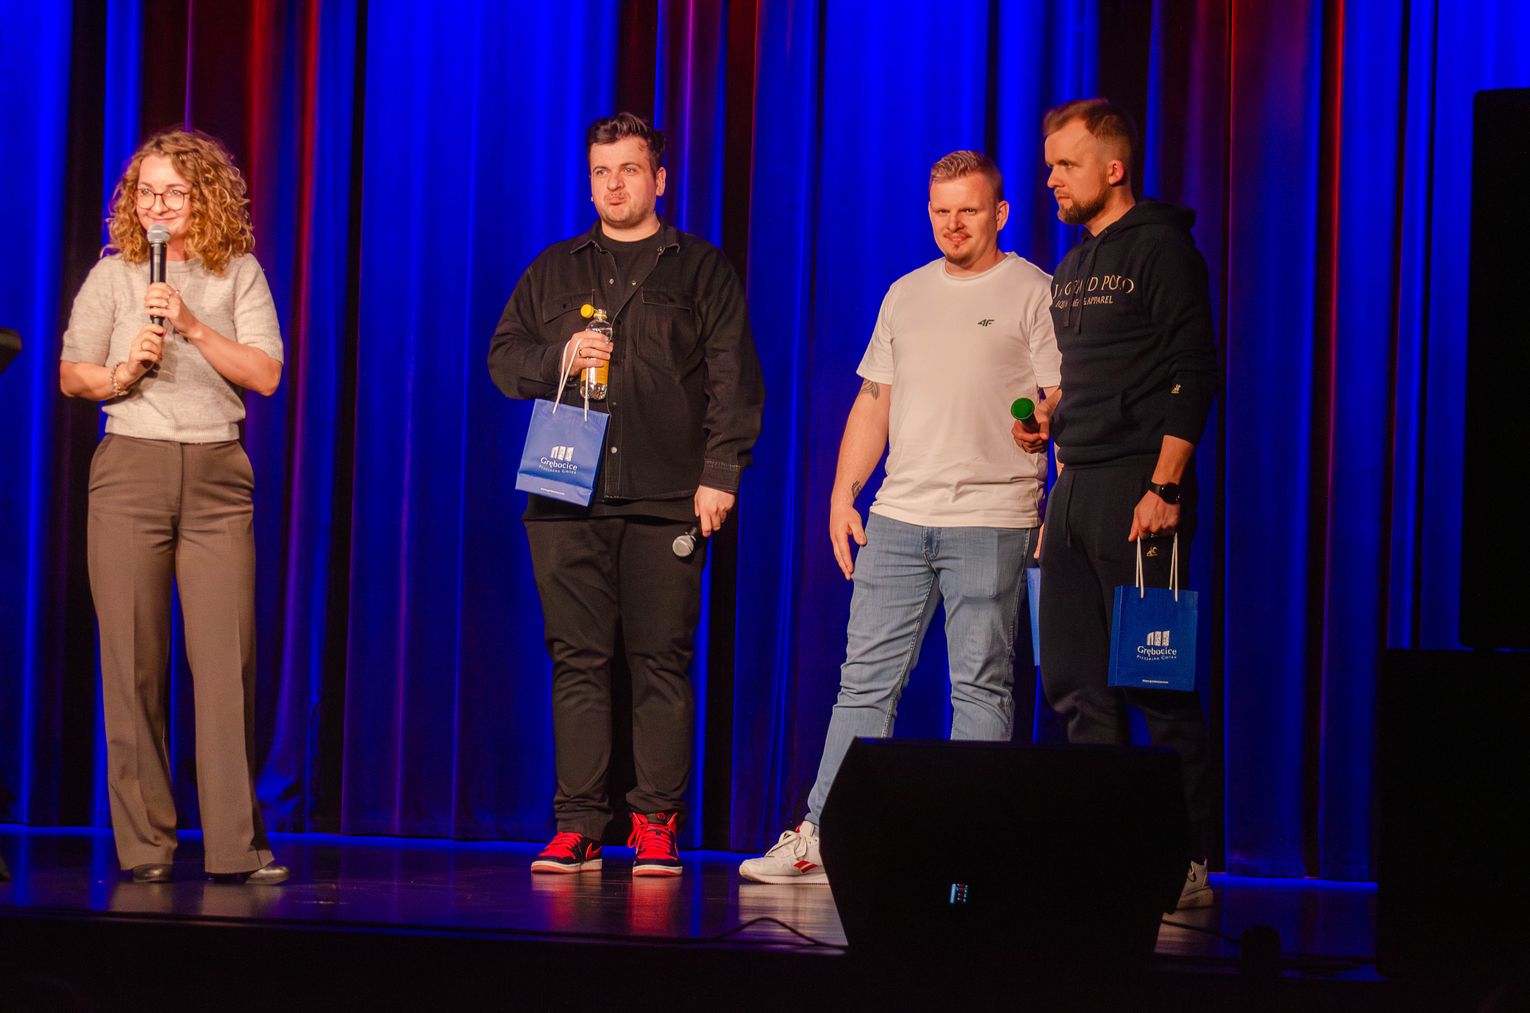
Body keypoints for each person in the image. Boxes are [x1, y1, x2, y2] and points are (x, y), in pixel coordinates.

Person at [739, 151, 1060, 884]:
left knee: (979, 685)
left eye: (968, 210)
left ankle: (969, 844)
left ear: (1000, 213)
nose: (953, 223)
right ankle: (823, 833)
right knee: (863, 682)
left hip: (994, 515)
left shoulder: (1032, 291)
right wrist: (841, 493)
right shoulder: (906, 293)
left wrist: (1057, 509)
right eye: (941, 210)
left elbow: (1060, 403)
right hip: (898, 516)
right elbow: (873, 401)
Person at [488, 112, 764, 877]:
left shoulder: (700, 269)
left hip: (667, 498)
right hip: (563, 499)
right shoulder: (554, 268)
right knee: (576, 661)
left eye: (629, 170)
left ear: (659, 179)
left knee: (659, 662)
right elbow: (503, 360)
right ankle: (578, 824)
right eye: (601, 172)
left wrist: (721, 472)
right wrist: (560, 356)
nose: (614, 185)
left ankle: (654, 823)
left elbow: (734, 377)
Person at [59, 129, 287, 884]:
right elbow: (72, 374)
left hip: (218, 476)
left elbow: (265, 374)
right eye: (146, 193)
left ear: (204, 198)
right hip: (131, 469)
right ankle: (146, 847)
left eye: (174, 193)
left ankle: (234, 847)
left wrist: (190, 324)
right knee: (132, 663)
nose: (157, 206)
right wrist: (123, 371)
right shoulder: (113, 275)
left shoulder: (238, 272)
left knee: (225, 664)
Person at [1022, 98, 1220, 908]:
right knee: (1076, 687)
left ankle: (1188, 859)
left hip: (1140, 490)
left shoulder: (1163, 249)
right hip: (1075, 492)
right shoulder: (1073, 266)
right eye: (1049, 167)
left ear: (1114, 167)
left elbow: (1193, 370)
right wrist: (1052, 417)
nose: (1052, 180)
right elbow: (1091, 377)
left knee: (1156, 682)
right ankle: (1104, 853)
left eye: (1066, 165)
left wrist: (1164, 487)